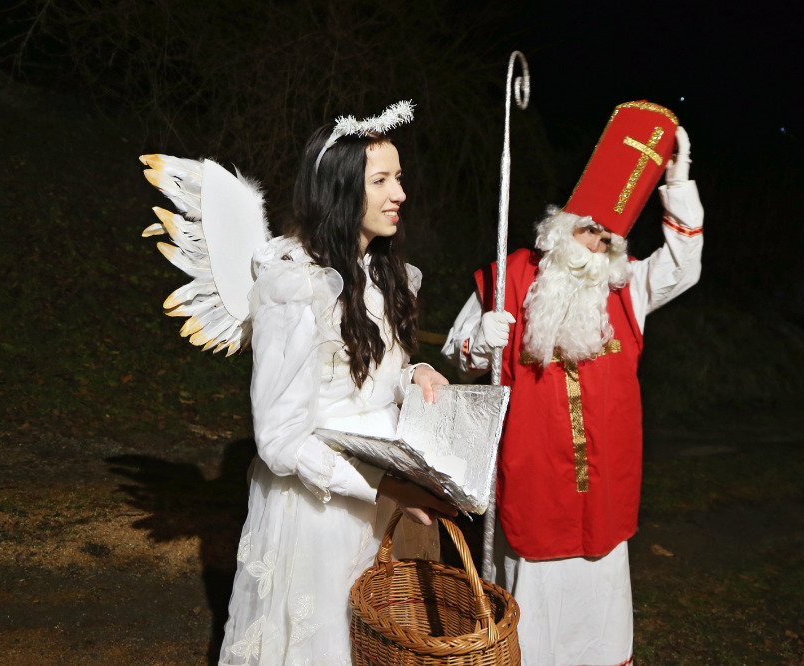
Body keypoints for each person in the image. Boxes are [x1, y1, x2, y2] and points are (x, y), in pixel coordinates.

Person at [442, 101, 704, 665]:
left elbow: (684, 267)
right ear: (560, 227)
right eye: (589, 231)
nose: (596, 247)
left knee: (597, 611)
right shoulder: (509, 277)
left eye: (608, 239)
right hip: (533, 484)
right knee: (534, 614)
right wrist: (481, 341)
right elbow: (459, 358)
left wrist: (678, 185)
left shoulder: (625, 290)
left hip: (603, 492)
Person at [218, 102, 456, 666]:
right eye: (381, 181)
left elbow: (370, 379)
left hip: (388, 498)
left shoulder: (385, 275)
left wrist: (415, 374)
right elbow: (279, 439)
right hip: (321, 514)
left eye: (399, 178)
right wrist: (385, 488)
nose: (400, 193)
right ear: (342, 190)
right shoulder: (293, 287)